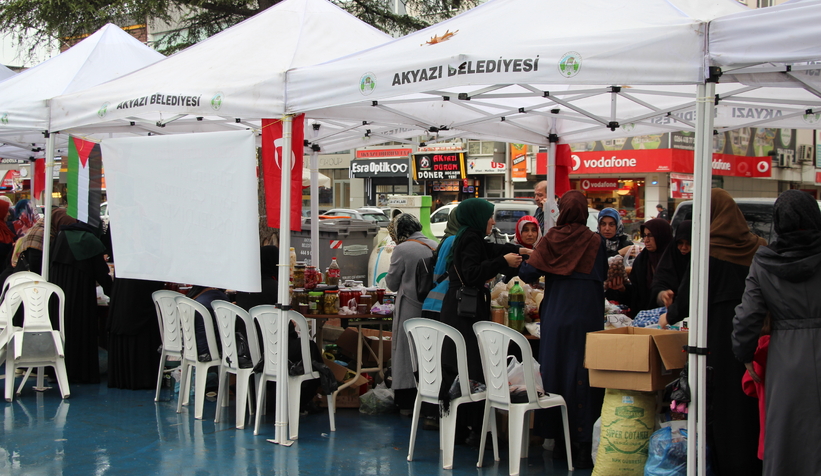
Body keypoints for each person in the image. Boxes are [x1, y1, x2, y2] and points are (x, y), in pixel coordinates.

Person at [661, 188, 765, 475]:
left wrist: (667, 315)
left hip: (716, 340)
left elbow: (685, 299)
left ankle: (726, 464)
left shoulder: (707, 252)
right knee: (749, 400)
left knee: (722, 405)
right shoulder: (758, 248)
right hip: (753, 338)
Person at [732, 190, 821, 476]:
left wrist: (744, 352)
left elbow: (748, 316)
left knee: (787, 437)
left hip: (785, 359)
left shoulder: (765, 261)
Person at [518, 190, 607, 469]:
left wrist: (526, 259)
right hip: (588, 316)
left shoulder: (551, 239)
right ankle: (582, 446)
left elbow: (528, 274)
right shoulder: (595, 241)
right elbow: (601, 274)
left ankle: (557, 441)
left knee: (556, 372)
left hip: (557, 316)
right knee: (585, 373)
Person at [439, 198, 528, 445]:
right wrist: (503, 263)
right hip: (462, 314)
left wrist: (519, 251)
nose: (493, 221)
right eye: (490, 216)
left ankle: (463, 427)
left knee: (464, 368)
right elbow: (471, 274)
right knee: (468, 369)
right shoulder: (469, 238)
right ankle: (473, 429)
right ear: (477, 217)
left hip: (460, 310)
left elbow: (489, 251)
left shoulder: (471, 236)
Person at [384, 213, 438, 415]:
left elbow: (391, 283)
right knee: (427, 353)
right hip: (432, 307)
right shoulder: (434, 244)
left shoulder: (403, 249)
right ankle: (429, 402)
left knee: (406, 353)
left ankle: (406, 403)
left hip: (409, 308)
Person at [49, 221, 113, 384]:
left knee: (63, 330)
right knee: (80, 330)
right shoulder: (89, 240)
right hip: (81, 296)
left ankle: (59, 370)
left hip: (59, 296)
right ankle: (81, 373)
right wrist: (113, 291)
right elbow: (101, 273)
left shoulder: (61, 235)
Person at [107, 277, 166, 389]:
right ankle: (143, 378)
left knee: (128, 306)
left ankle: (122, 378)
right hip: (141, 286)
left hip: (124, 290)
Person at [606, 218, 673, 316]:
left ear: (661, 235)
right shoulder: (642, 260)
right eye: (644, 236)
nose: (646, 240)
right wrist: (623, 289)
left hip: (670, 317)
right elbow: (635, 295)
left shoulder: (672, 260)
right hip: (644, 318)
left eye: (650, 235)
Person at [651, 220, 691, 308]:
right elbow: (659, 282)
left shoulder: (703, 263)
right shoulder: (671, 257)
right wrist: (663, 294)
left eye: (688, 243)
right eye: (680, 243)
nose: (684, 247)